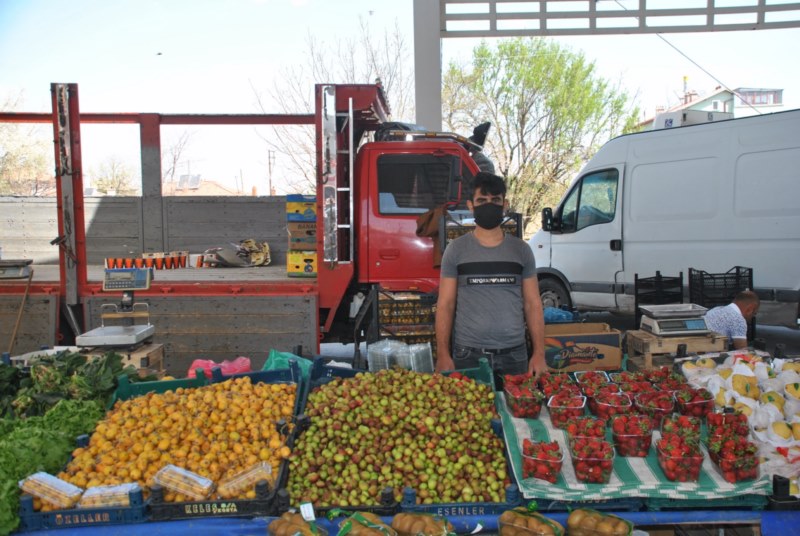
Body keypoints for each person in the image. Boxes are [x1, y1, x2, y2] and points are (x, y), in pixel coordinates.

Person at [435, 172, 546, 380]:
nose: (489, 205)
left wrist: (539, 353)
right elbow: (445, 304)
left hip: (515, 355)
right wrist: (442, 353)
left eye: (495, 200)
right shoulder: (456, 251)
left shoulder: (521, 251)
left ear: (505, 204)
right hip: (468, 355)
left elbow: (533, 304)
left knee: (516, 413)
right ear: (470, 205)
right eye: (482, 200)